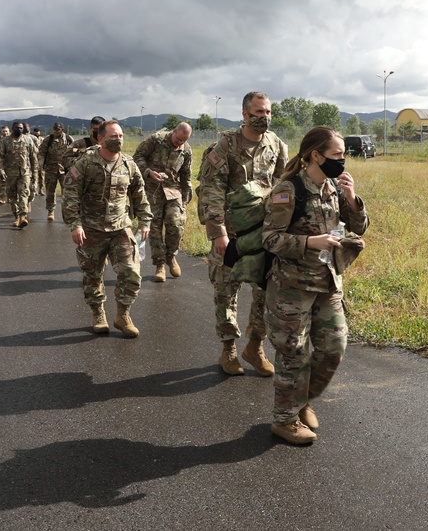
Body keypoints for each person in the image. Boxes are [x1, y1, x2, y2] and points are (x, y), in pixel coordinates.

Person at [262, 126, 369, 445]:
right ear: (316, 156)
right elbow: (269, 239)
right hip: (292, 288)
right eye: (337, 155)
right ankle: (284, 421)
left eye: (344, 155)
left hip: (327, 283)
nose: (343, 161)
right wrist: (311, 242)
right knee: (292, 354)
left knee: (334, 348)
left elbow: (359, 226)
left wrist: (352, 198)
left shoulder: (336, 186)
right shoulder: (288, 190)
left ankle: (301, 399)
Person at [199, 91, 288, 376]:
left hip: (264, 233)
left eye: (268, 112)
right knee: (227, 292)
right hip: (233, 233)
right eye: (258, 112)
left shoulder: (276, 144)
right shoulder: (225, 146)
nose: (264, 117)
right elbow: (211, 191)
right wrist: (218, 233)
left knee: (265, 292)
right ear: (244, 114)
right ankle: (229, 350)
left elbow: (283, 183)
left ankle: (255, 347)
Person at [63, 120, 152, 337]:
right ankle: (98, 313)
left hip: (121, 228)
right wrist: (75, 224)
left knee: (131, 273)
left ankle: (123, 315)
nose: (118, 140)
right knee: (93, 274)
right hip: (92, 230)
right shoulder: (85, 163)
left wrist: (145, 221)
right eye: (113, 136)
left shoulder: (129, 164)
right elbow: (70, 193)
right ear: (101, 138)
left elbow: (140, 194)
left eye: (121, 136)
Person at [133, 122, 193, 282]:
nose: (180, 143)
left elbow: (186, 176)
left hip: (173, 191)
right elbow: (137, 157)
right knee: (154, 228)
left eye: (183, 141)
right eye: (178, 139)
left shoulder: (186, 150)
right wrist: (148, 172)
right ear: (174, 131)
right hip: (152, 190)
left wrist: (185, 204)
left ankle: (171, 257)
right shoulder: (155, 140)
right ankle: (159, 265)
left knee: (175, 225)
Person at [0, 122, 35, 228]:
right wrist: (1, 171)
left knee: (24, 193)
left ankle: (23, 215)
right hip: (10, 174)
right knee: (13, 196)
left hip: (24, 173)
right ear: (13, 129)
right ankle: (16, 217)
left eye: (21, 128)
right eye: (17, 128)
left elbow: (33, 158)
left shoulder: (28, 140)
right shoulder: (5, 141)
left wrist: (35, 173)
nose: (19, 130)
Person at [42, 122, 74, 222]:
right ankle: (51, 211)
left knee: (66, 192)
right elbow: (41, 152)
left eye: (58, 130)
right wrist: (40, 165)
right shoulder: (48, 139)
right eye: (54, 130)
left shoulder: (69, 139)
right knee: (50, 191)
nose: (56, 132)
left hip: (65, 170)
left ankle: (66, 213)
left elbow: (75, 153)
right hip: (50, 169)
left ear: (62, 129)